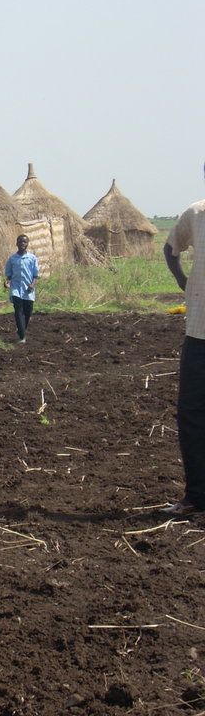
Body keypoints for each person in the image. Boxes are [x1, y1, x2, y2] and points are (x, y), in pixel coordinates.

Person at [162, 193, 205, 515]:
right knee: (191, 413)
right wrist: (184, 282)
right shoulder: (197, 213)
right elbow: (170, 248)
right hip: (199, 330)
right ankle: (197, 495)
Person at [4, 234, 39, 343]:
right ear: (16, 244)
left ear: (27, 244)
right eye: (20, 242)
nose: (22, 244)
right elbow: (9, 275)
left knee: (27, 312)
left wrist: (32, 285)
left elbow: (36, 275)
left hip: (28, 290)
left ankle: (21, 329)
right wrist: (7, 282)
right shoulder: (12, 259)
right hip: (16, 290)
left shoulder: (32, 258)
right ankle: (22, 336)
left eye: (24, 242)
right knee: (18, 312)